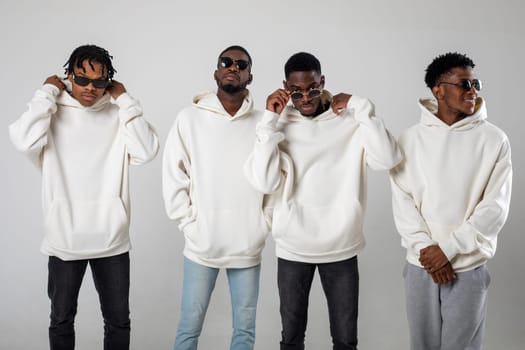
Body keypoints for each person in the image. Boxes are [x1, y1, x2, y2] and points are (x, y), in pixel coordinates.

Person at [244, 52, 402, 350]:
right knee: (291, 340)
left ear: (323, 83)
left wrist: (360, 106)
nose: (305, 97)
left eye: (313, 89)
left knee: (345, 341)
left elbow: (387, 159)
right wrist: (268, 120)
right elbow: (264, 181)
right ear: (285, 87)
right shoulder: (277, 124)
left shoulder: (349, 120)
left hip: (341, 246)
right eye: (296, 91)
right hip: (292, 247)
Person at [8, 44, 159, 350]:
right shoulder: (52, 110)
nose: (91, 87)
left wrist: (126, 100)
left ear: (109, 81)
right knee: (61, 319)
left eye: (100, 81)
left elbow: (146, 151)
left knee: (118, 321)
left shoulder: (118, 112)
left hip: (112, 237)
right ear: (69, 76)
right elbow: (23, 140)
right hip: (64, 237)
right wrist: (46, 94)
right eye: (82, 79)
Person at [389, 52, 512, 350]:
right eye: (464, 84)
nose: (473, 90)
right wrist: (427, 251)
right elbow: (402, 202)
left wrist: (447, 250)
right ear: (438, 90)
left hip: (467, 265)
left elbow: (494, 208)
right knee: (423, 346)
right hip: (421, 265)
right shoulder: (410, 139)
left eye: (476, 83)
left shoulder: (494, 140)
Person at [162, 45, 269, 350]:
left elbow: (276, 177)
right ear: (216, 71)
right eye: (226, 62)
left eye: (241, 64)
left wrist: (264, 224)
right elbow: (173, 174)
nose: (233, 67)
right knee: (188, 329)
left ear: (249, 76)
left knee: (245, 331)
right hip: (201, 243)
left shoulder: (263, 122)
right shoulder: (189, 119)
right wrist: (188, 223)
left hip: (247, 243)